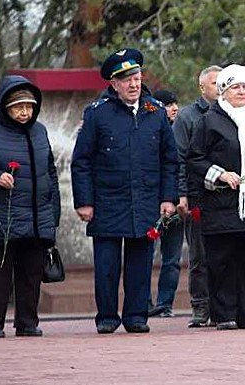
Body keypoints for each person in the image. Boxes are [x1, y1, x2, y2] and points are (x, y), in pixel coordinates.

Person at [72, 48, 178, 334]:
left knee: (140, 264)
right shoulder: (97, 113)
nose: (133, 85)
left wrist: (168, 198)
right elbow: (81, 161)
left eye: (137, 78)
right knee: (106, 265)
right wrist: (84, 201)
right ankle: (107, 316)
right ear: (114, 83)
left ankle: (136, 316)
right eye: (126, 80)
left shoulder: (155, 112)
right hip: (107, 201)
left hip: (145, 200)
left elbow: (170, 159)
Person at [0, 75, 60, 338]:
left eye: (29, 107)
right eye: (18, 107)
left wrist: (54, 214)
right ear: (4, 107)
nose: (25, 112)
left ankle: (27, 323)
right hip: (3, 216)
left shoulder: (40, 131)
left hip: (37, 215)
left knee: (32, 272)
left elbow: (50, 172)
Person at [187, 64, 245, 330]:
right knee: (221, 260)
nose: (241, 91)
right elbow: (194, 158)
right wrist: (220, 174)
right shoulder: (209, 121)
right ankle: (224, 315)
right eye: (235, 87)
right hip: (221, 203)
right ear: (223, 91)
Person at [173, 65, 221, 327]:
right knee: (200, 255)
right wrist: (182, 194)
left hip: (225, 196)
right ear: (202, 87)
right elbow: (179, 158)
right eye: (214, 83)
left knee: (224, 254)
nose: (220, 88)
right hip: (198, 195)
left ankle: (223, 306)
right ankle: (200, 306)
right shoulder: (188, 117)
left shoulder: (232, 113)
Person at [146, 89, 182, 318]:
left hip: (176, 205)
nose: (174, 108)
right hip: (151, 204)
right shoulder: (149, 131)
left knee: (172, 259)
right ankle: (144, 303)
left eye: (175, 103)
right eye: (168, 104)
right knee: (145, 256)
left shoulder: (182, 131)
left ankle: (165, 304)